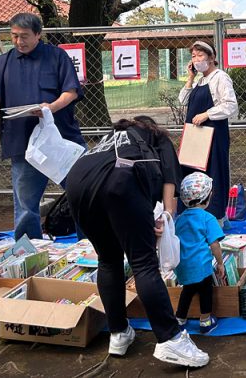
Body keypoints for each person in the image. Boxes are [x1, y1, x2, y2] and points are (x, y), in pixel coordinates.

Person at [64, 117, 207, 367]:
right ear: (152, 128)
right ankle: (171, 338)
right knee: (143, 263)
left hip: (76, 184)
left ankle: (119, 333)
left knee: (108, 259)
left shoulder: (110, 139)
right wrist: (166, 217)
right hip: (121, 179)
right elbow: (170, 185)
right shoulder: (158, 139)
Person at [0, 13, 85, 240]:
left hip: (61, 139)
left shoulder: (57, 57)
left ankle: (91, 244)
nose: (19, 42)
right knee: (26, 203)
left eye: (24, 36)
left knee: (83, 192)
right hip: (22, 142)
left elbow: (71, 92)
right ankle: (29, 251)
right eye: (14, 36)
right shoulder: (2, 63)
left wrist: (50, 108)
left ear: (38, 34)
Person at [179, 41, 238, 219]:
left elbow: (230, 105)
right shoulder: (200, 80)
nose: (196, 60)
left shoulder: (220, 77)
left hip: (212, 135)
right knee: (191, 174)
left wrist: (207, 114)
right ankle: (192, 215)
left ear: (211, 58)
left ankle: (214, 217)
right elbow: (183, 100)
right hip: (194, 136)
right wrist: (190, 78)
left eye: (200, 55)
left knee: (213, 173)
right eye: (193, 56)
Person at [174, 172, 225, 333]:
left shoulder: (180, 218)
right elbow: (214, 244)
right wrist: (221, 263)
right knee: (205, 292)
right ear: (207, 197)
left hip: (183, 265)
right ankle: (205, 321)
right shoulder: (207, 218)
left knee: (187, 291)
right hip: (202, 266)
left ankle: (180, 319)